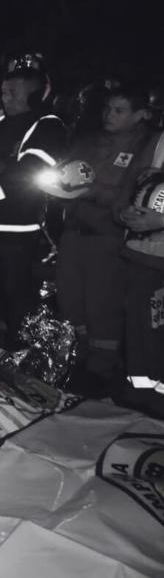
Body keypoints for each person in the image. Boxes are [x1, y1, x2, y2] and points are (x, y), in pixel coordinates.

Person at [56, 86, 155, 390]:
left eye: (119, 110)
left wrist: (94, 191)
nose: (109, 115)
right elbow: (66, 173)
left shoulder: (146, 147)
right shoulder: (91, 141)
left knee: (103, 305)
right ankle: (76, 357)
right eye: (107, 109)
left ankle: (100, 372)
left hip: (107, 238)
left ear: (141, 115)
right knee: (71, 298)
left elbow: (132, 193)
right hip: (74, 232)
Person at [0, 67, 67, 348]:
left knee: (17, 294)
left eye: (13, 92)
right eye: (4, 92)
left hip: (21, 230)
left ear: (35, 96)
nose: (6, 98)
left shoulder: (48, 125)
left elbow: (27, 174)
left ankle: (19, 351)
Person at [115, 147, 164, 416]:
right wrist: (124, 213)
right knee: (138, 324)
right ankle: (138, 390)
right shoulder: (157, 140)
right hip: (141, 253)